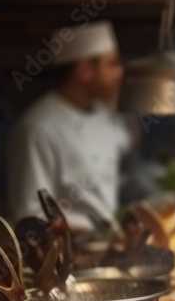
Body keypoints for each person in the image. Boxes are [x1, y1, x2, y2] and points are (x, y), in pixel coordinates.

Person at [7, 20, 138, 233]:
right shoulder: (37, 128)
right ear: (85, 70)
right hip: (67, 255)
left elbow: (126, 142)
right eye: (112, 64)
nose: (120, 73)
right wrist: (94, 230)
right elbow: (30, 214)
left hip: (108, 244)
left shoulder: (103, 113)